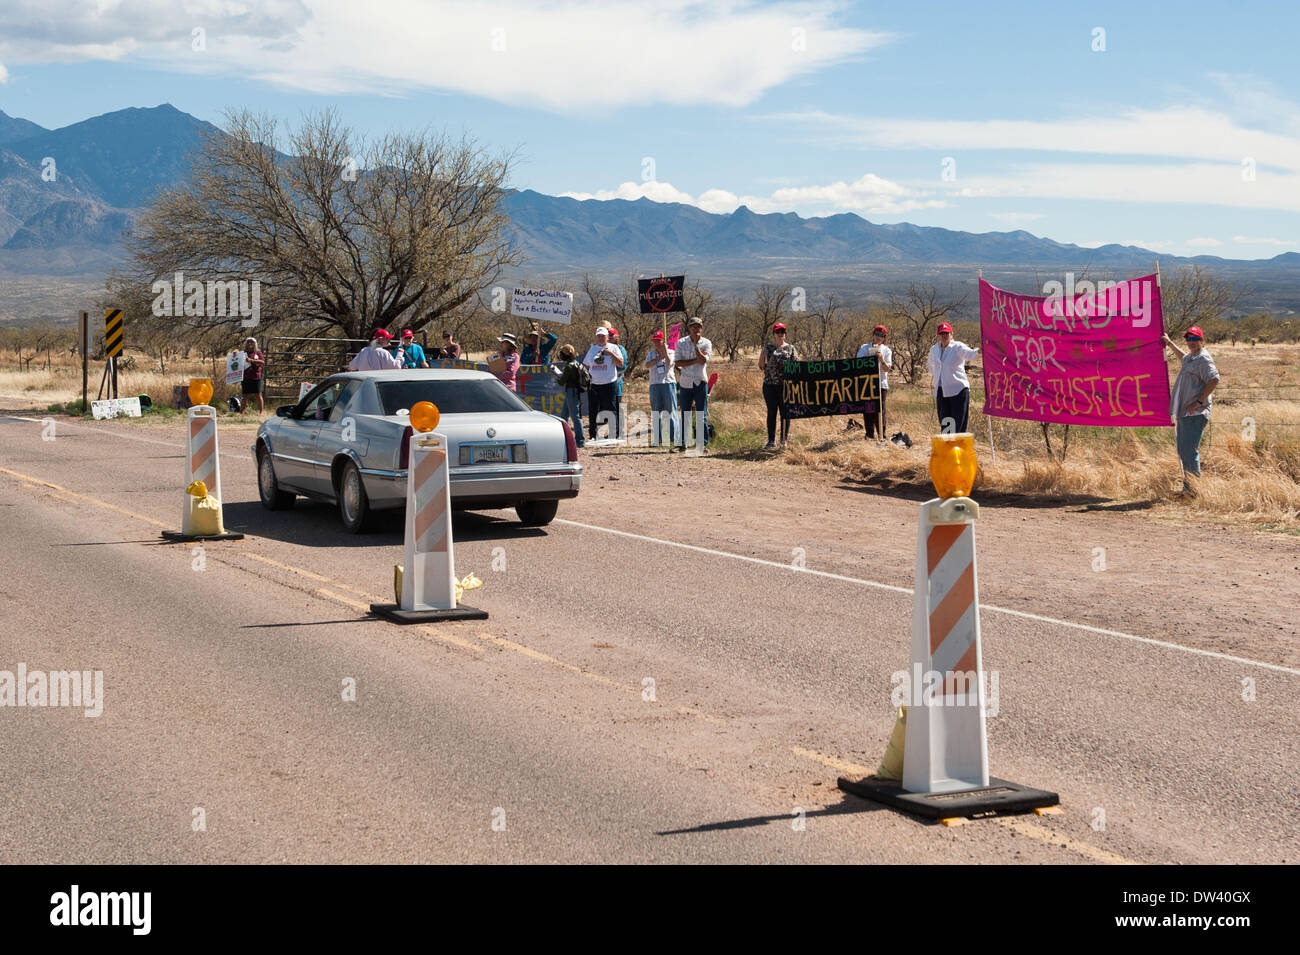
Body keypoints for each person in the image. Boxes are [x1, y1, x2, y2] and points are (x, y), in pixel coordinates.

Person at [1162, 326, 1220, 496]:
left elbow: (1214, 379)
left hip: (1195, 414)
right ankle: (1189, 488)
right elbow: (1184, 358)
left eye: (1195, 339)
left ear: (1202, 340)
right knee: (1183, 450)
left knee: (1189, 451)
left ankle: (1193, 491)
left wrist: (1199, 402)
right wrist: (1170, 343)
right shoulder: (1192, 358)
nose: (1191, 342)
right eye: (1188, 339)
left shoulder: (1203, 359)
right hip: (1185, 413)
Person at [928, 322, 979, 434]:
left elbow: (971, 354)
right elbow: (930, 364)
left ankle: (957, 449)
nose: (944, 336)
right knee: (946, 424)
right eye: (942, 333)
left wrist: (980, 351)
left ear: (951, 334)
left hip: (958, 391)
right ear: (938, 335)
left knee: (958, 425)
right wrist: (938, 375)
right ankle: (947, 447)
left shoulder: (957, 347)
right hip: (942, 391)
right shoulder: (934, 349)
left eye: (947, 333)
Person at [674, 316, 712, 450]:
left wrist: (696, 346)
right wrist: (694, 360)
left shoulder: (706, 343)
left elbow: (703, 360)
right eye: (693, 327)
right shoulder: (681, 342)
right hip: (685, 382)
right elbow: (678, 362)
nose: (696, 329)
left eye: (698, 327)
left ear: (701, 328)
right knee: (685, 414)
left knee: (701, 415)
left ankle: (702, 444)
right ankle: (683, 443)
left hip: (700, 382)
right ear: (689, 328)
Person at [757, 322, 797, 449]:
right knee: (772, 413)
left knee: (785, 413)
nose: (780, 334)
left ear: (785, 334)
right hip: (770, 386)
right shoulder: (767, 349)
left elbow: (797, 366)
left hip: (786, 386)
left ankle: (783, 440)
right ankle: (771, 441)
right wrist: (763, 355)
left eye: (783, 332)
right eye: (778, 332)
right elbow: (761, 366)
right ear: (774, 334)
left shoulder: (791, 348)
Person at [582, 326, 623, 439]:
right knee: (593, 410)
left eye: (603, 336)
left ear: (607, 337)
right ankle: (593, 435)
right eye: (598, 336)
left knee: (611, 408)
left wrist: (610, 354)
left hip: (609, 383)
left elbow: (620, 364)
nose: (600, 338)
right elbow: (586, 364)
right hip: (594, 383)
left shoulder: (613, 347)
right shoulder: (592, 349)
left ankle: (614, 433)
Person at [857, 325, 893, 439]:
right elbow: (858, 363)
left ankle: (882, 434)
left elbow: (887, 368)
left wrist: (881, 359)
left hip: (880, 384)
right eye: (877, 334)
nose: (879, 337)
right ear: (873, 335)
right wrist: (869, 354)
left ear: (884, 338)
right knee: (867, 409)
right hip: (867, 383)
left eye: (882, 335)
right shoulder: (864, 347)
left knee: (880, 410)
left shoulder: (887, 350)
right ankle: (869, 435)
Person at [645, 330, 679, 446]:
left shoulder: (671, 352)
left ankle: (674, 437)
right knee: (656, 411)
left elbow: (669, 364)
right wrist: (659, 357)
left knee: (671, 410)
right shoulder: (651, 354)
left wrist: (665, 353)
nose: (656, 343)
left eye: (658, 341)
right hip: (655, 384)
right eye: (654, 341)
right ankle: (657, 439)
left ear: (662, 340)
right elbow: (648, 365)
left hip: (668, 383)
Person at [553, 343, 586, 448]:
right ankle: (566, 438)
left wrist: (556, 374)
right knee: (563, 416)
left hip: (571, 392)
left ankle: (580, 441)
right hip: (573, 392)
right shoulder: (576, 363)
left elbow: (562, 382)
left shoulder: (569, 367)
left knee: (575, 417)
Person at [608, 326, 629, 433]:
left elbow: (623, 365)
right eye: (608, 335)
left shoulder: (621, 349)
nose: (609, 337)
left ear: (617, 336)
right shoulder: (604, 349)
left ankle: (620, 431)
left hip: (616, 383)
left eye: (611, 335)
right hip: (605, 384)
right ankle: (613, 430)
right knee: (609, 407)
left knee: (617, 405)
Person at [239, 337, 266, 415]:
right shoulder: (243, 353)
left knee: (258, 395)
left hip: (256, 376)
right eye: (248, 342)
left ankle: (261, 412)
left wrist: (252, 360)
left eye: (251, 342)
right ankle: (241, 412)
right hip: (245, 377)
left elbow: (262, 362)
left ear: (255, 344)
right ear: (246, 344)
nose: (250, 344)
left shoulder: (258, 352)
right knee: (245, 395)